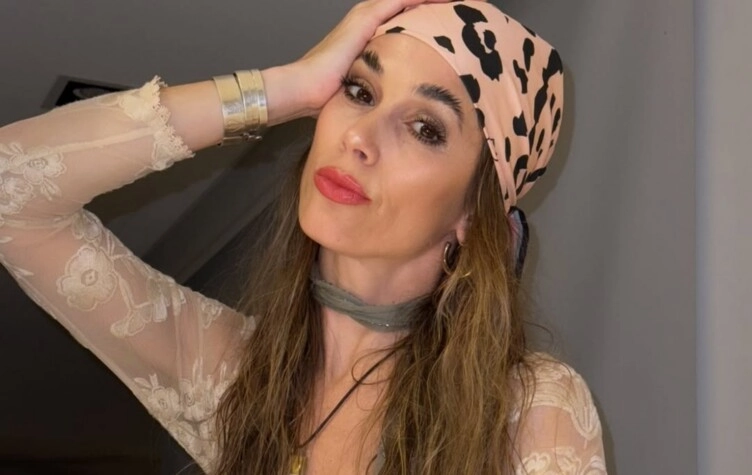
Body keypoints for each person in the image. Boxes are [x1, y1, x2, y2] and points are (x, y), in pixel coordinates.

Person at [0, 0, 606, 473]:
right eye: (359, 92)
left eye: (425, 128)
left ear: (472, 215)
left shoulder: (528, 411)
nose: (358, 136)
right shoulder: (229, 376)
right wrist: (287, 88)